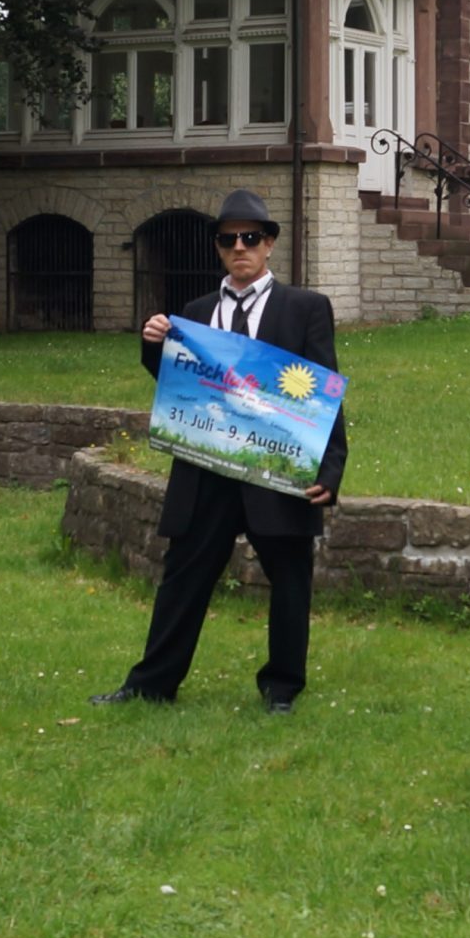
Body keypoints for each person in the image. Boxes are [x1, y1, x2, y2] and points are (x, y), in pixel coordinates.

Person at [94, 188, 346, 713]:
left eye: (250, 238)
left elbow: (325, 391)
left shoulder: (306, 309)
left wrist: (332, 465)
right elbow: (176, 385)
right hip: (205, 471)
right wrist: (153, 342)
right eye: (229, 239)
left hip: (276, 467)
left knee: (291, 578)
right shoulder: (196, 311)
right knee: (183, 576)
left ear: (269, 244)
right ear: (218, 248)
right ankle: (151, 685)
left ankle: (282, 689)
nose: (240, 248)